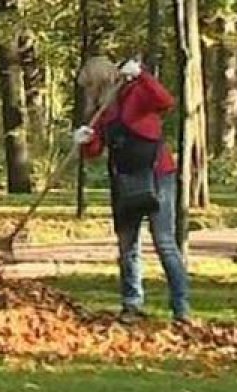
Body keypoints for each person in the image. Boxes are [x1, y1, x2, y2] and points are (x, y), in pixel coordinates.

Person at [73, 56, 190, 325]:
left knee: (164, 242)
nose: (87, 92)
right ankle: (131, 304)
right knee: (127, 246)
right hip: (124, 180)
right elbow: (96, 150)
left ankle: (181, 306)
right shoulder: (103, 113)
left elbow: (165, 102)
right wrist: (85, 140)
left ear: (98, 81)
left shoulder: (135, 93)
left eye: (88, 86)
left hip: (156, 174)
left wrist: (143, 75)